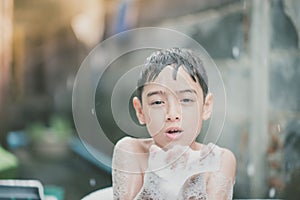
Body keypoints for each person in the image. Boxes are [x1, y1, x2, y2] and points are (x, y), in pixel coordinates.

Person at [112, 47, 236, 199]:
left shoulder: (219, 160)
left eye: (186, 100)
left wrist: (185, 177)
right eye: (158, 102)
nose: (172, 114)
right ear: (140, 111)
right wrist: (157, 181)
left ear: (206, 107)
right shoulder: (131, 151)